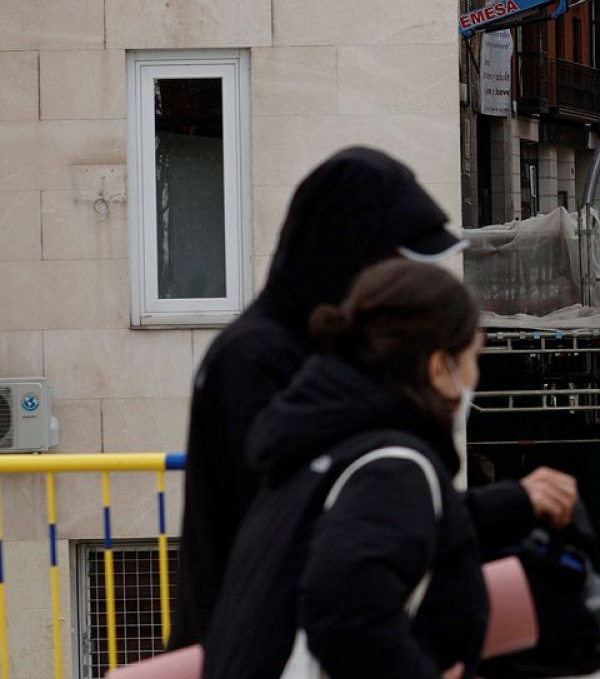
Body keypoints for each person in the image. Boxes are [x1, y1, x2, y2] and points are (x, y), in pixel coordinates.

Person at [172, 147, 573, 647]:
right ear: (352, 258)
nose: (409, 289)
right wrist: (507, 505)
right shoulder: (258, 360)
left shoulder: (297, 353)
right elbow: (326, 537)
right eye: (398, 267)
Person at [203, 259, 527, 678]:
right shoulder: (393, 469)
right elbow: (346, 617)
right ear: (438, 369)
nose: (474, 376)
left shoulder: (312, 455)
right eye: (472, 357)